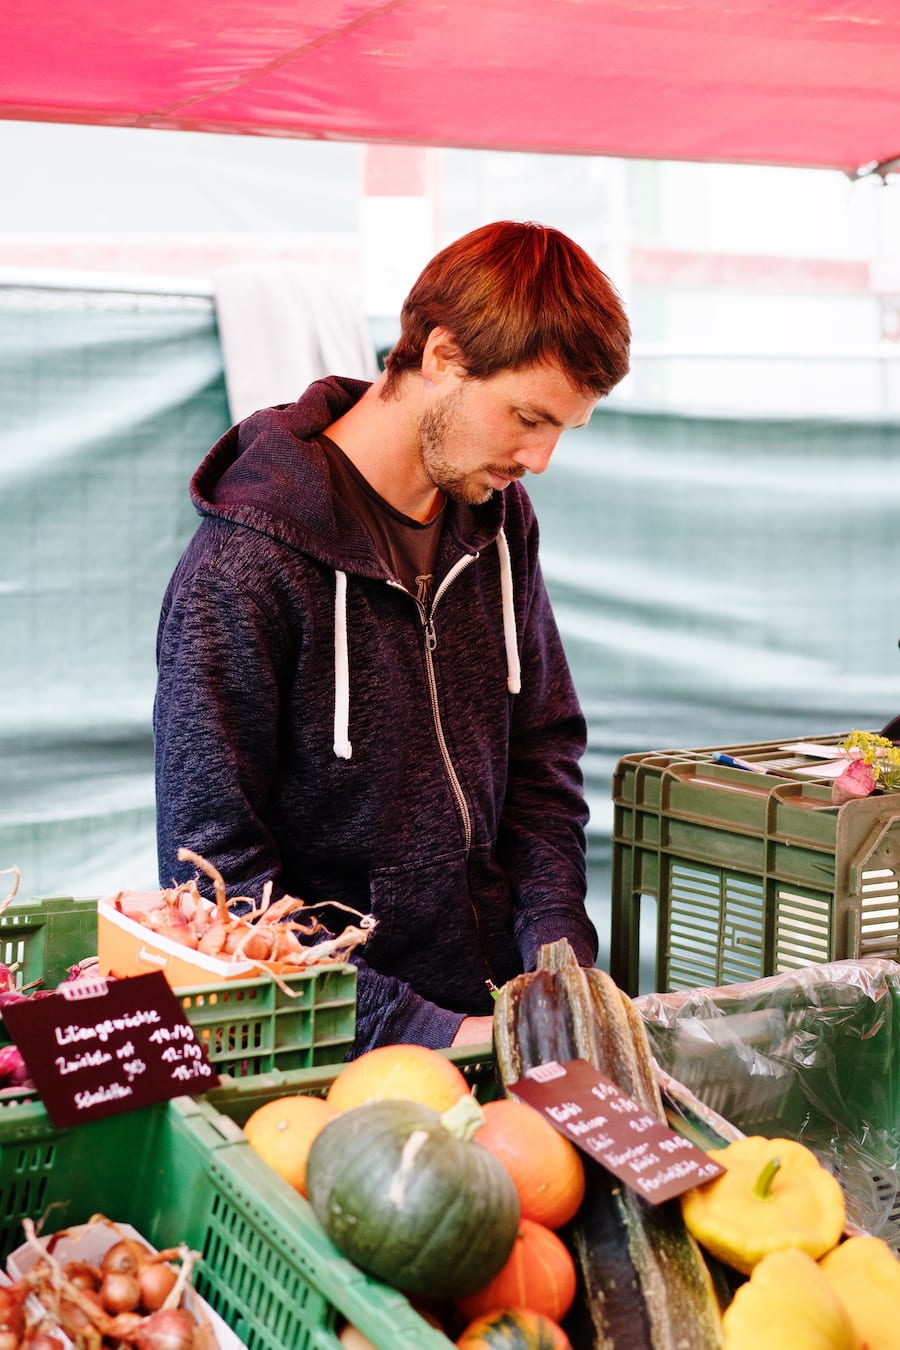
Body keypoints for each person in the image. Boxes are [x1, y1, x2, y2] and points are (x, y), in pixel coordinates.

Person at [154, 220, 631, 1055]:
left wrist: (556, 952)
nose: (541, 457)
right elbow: (214, 879)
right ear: (442, 355)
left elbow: (542, 753)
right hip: (333, 1052)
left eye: (564, 429)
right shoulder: (242, 568)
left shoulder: (501, 524)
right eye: (528, 416)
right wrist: (422, 1031)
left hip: (503, 1018)